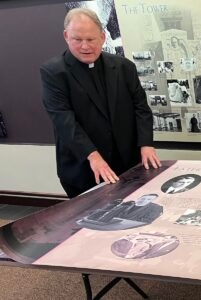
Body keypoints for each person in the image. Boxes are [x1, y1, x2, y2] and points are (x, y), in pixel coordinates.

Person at [40, 8, 161, 198]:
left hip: (126, 162)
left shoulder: (124, 67)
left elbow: (141, 108)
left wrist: (146, 144)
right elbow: (64, 120)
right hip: (84, 167)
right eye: (77, 40)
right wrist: (93, 156)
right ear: (66, 36)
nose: (85, 46)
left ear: (103, 37)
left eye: (91, 39)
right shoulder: (54, 73)